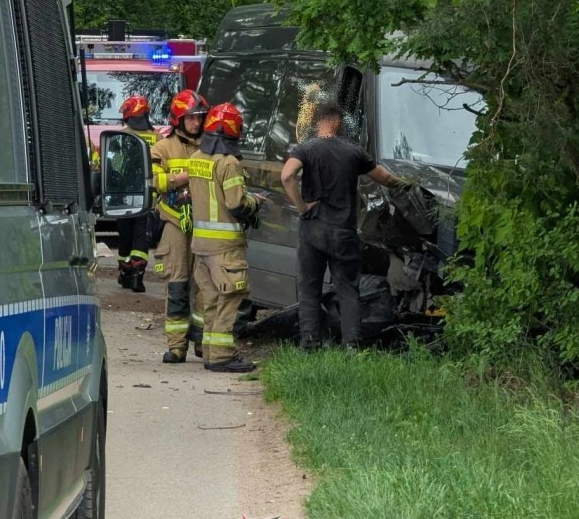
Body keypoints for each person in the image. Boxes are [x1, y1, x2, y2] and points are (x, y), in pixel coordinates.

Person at [280, 101, 406, 349]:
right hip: (343, 232)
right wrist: (408, 184)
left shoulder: (305, 148)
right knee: (348, 290)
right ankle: (352, 346)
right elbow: (386, 179)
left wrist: (302, 207)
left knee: (309, 289)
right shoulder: (353, 151)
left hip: (312, 229)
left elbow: (286, 176)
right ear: (337, 122)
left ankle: (310, 343)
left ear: (318, 122)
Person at [187, 103, 264, 372]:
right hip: (226, 248)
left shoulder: (196, 158)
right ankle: (222, 356)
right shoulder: (228, 163)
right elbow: (236, 204)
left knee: (210, 300)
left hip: (201, 246)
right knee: (231, 298)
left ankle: (209, 353)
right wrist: (254, 201)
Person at [152, 89, 210, 364]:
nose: (196, 123)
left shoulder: (209, 147)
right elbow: (155, 183)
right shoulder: (162, 147)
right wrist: (186, 176)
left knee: (202, 285)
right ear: (178, 119)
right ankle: (176, 347)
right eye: (191, 118)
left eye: (199, 118)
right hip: (175, 222)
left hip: (202, 223)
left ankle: (200, 341)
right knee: (177, 285)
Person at [117, 95, 158, 293]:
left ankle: (125, 274)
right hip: (148, 196)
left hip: (124, 196)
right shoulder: (158, 138)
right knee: (141, 237)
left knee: (125, 235)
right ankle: (137, 277)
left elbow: (114, 167)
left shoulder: (121, 137)